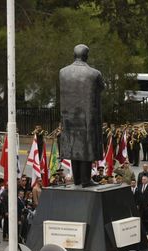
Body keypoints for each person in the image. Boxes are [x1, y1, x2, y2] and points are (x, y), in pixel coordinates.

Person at [59, 44, 104, 188]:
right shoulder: (94, 73)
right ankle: (85, 180)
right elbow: (102, 87)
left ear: (74, 55)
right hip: (87, 116)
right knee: (86, 147)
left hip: (69, 117)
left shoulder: (63, 72)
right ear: (86, 56)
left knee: (74, 147)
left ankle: (77, 179)